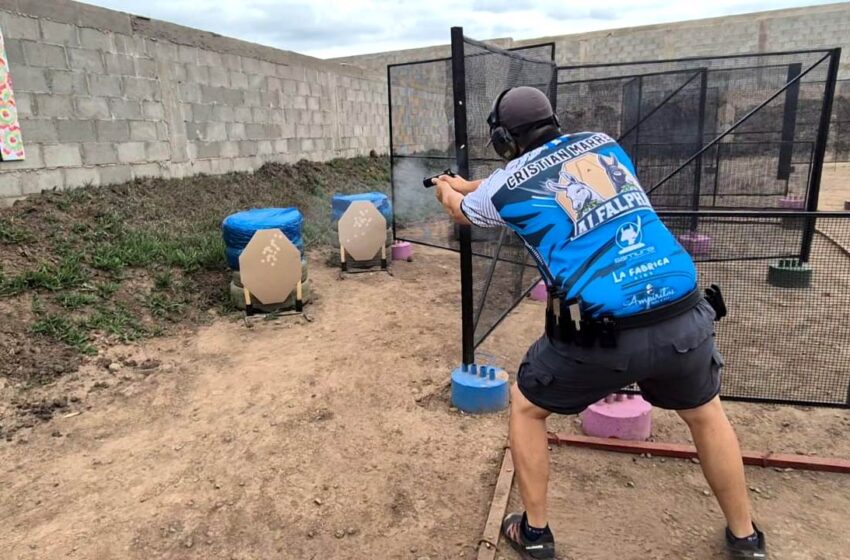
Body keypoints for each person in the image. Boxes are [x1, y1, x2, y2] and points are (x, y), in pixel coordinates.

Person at [432, 86, 767, 560]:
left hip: (602, 330)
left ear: (505, 139)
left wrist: (447, 188)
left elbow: (461, 210)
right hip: (683, 312)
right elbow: (525, 175)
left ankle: (535, 534)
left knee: (526, 407)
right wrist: (468, 182)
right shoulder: (602, 143)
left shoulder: (505, 188)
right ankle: (745, 538)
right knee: (706, 413)